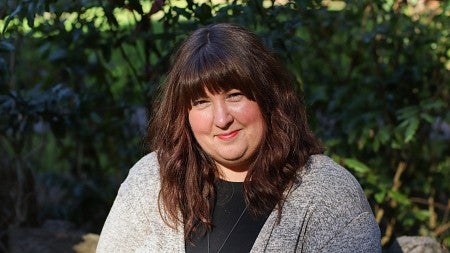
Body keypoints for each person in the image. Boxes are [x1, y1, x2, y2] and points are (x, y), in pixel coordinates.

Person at [96, 23, 381, 253]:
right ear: (183, 113)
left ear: (269, 99)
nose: (221, 119)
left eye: (235, 96)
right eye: (201, 102)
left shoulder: (328, 194)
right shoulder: (150, 180)